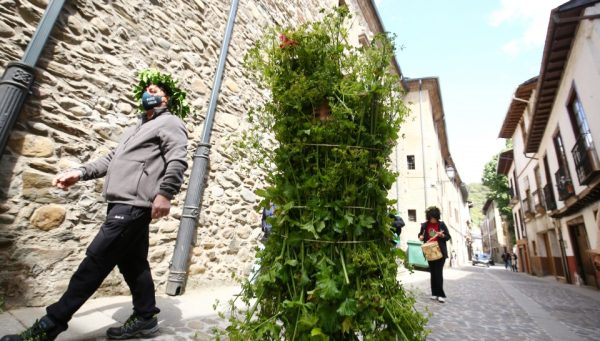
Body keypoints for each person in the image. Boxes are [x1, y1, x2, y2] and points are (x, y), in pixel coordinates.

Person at [1, 73, 189, 341]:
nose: (149, 91)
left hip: (133, 204)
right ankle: (146, 317)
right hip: (121, 202)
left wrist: (165, 193)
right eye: (146, 88)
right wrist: (80, 172)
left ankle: (50, 325)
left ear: (165, 98)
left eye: (155, 89)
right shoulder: (136, 126)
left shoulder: (170, 122)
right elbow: (111, 159)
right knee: (133, 263)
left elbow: (178, 160)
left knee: (95, 263)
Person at [418, 206, 451, 303]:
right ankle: (434, 293)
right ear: (428, 217)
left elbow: (448, 236)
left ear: (437, 217)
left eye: (435, 218)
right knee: (432, 273)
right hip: (429, 251)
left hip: (440, 252)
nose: (433, 220)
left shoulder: (441, 225)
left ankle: (441, 295)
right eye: (431, 218)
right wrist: (420, 237)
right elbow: (420, 235)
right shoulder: (424, 225)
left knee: (438, 273)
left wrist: (442, 235)